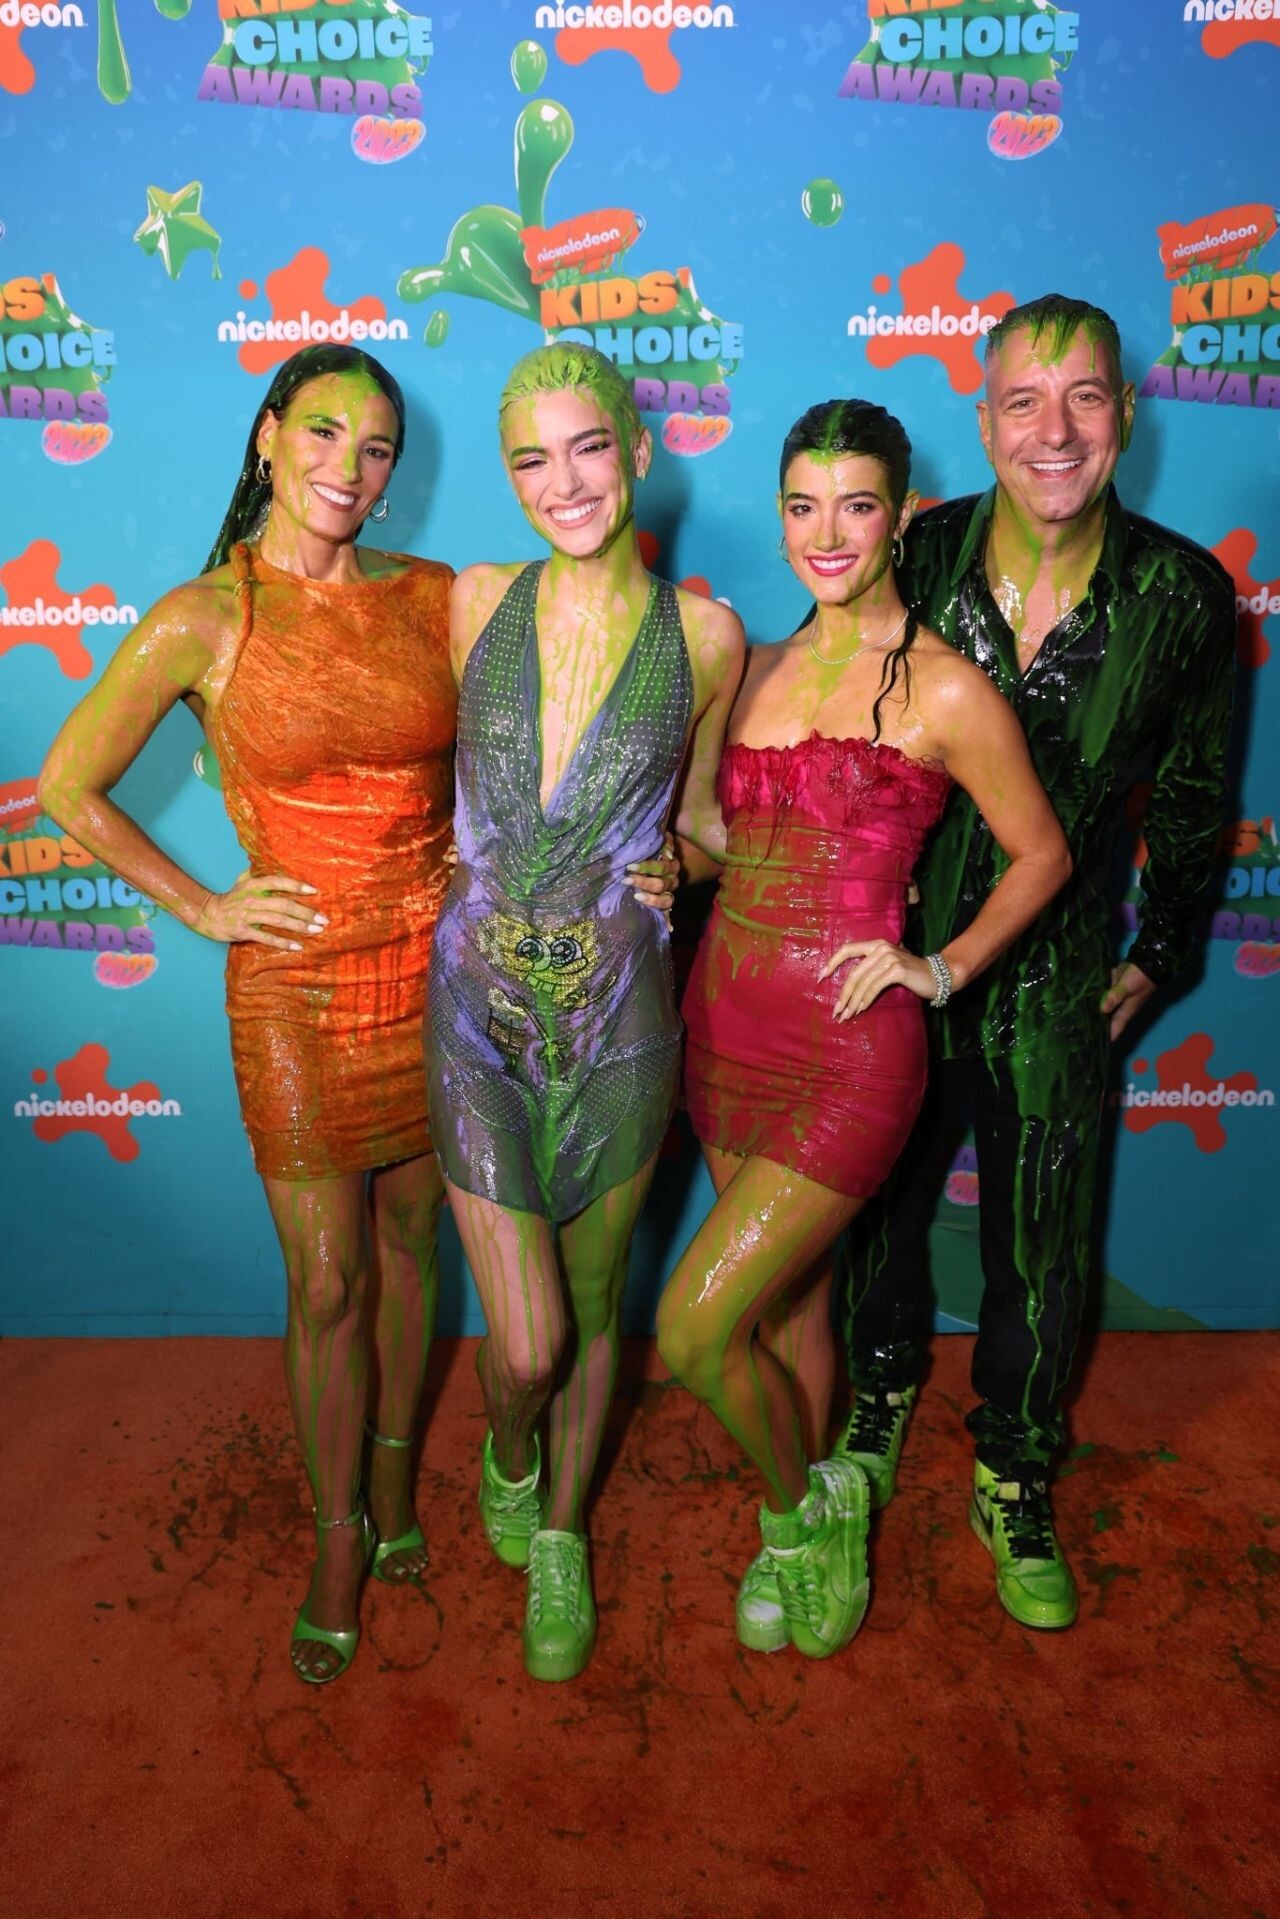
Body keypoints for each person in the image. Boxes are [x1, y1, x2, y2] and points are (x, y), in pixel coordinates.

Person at [39, 345, 458, 1685]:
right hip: (297, 983)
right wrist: (206, 904)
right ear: (269, 437)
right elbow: (65, 785)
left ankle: (390, 1481)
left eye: (377, 447)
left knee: (414, 1242)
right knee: (327, 1279)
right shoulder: (204, 615)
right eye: (324, 431)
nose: (349, 465)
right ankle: (337, 1538)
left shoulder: (437, 596)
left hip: (435, 971)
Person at [838, 294, 1236, 1631]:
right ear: (983, 421)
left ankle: (1012, 1466)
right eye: (1023, 401)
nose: (1053, 431)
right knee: (877, 1212)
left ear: (1125, 413)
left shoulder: (1183, 595)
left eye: (1084, 398)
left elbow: (1194, 793)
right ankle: (875, 1395)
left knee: (1046, 1248)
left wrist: (1161, 949)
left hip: (1059, 974)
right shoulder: (913, 551)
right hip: (900, 950)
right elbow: (822, 716)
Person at [657, 398, 1071, 1660]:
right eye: (800, 505)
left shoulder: (945, 684)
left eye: (853, 504)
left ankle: (807, 1509)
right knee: (788, 1309)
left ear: (899, 515)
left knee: (691, 1328)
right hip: (721, 1023)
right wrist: (660, 868)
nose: (824, 533)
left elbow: (1040, 853)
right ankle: (792, 1532)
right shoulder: (750, 666)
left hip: (848, 1053)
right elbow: (719, 842)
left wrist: (937, 967)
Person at [427, 342, 744, 1682]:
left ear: (640, 449)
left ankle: (561, 1530)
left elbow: (706, 820)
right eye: (531, 459)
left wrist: (693, 866)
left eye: (588, 446)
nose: (563, 482)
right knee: (530, 1337)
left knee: (600, 1300)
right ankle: (508, 1441)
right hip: (475, 1010)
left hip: (624, 1009)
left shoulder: (707, 637)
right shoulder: (473, 600)